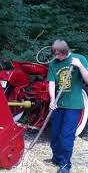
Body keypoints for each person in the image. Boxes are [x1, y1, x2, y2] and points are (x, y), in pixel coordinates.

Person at [47, 40, 88, 173]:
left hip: (73, 106)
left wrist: (80, 66)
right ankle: (57, 158)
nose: (56, 57)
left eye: (58, 54)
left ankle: (65, 164)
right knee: (55, 134)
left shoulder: (79, 59)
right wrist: (52, 100)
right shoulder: (53, 64)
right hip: (58, 105)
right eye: (55, 54)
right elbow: (52, 83)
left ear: (65, 52)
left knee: (66, 136)